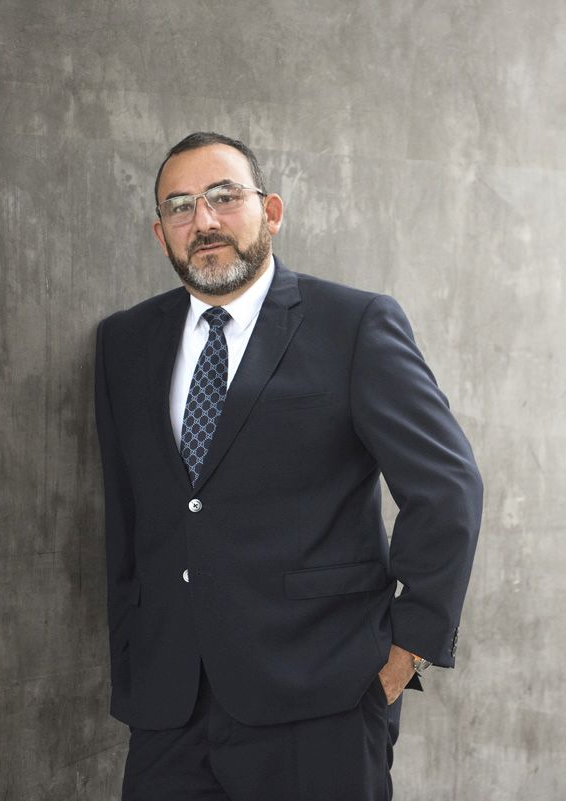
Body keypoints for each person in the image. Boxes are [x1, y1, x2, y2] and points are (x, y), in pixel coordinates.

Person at [93, 132, 484, 801]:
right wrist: (134, 658)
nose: (204, 220)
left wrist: (405, 655)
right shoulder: (124, 341)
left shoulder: (353, 324)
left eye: (224, 197)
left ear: (271, 212)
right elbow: (129, 515)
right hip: (170, 706)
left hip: (322, 700)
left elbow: (448, 489)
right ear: (161, 235)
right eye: (180, 207)